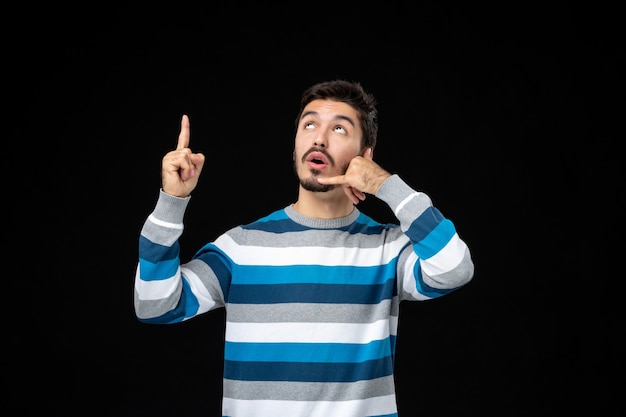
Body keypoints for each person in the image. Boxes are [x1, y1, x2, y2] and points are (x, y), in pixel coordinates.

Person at [134, 79, 475, 417]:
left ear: (365, 157)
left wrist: (385, 185)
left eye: (339, 129)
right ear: (295, 145)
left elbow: (454, 268)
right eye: (309, 124)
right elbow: (155, 305)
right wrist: (171, 203)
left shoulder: (387, 248)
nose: (319, 138)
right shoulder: (242, 245)